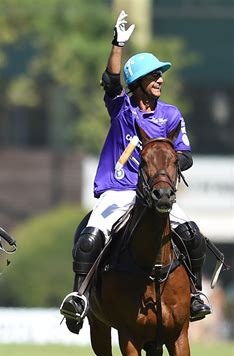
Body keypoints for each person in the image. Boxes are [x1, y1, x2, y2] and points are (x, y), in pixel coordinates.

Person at [59, 11, 211, 333]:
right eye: (154, 75)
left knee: (192, 236)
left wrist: (166, 165)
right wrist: (118, 45)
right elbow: (112, 81)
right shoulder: (122, 108)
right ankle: (79, 297)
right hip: (118, 189)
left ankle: (196, 294)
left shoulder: (170, 115)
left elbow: (185, 156)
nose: (161, 80)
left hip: (156, 192)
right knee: (89, 238)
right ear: (138, 83)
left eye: (161, 75)